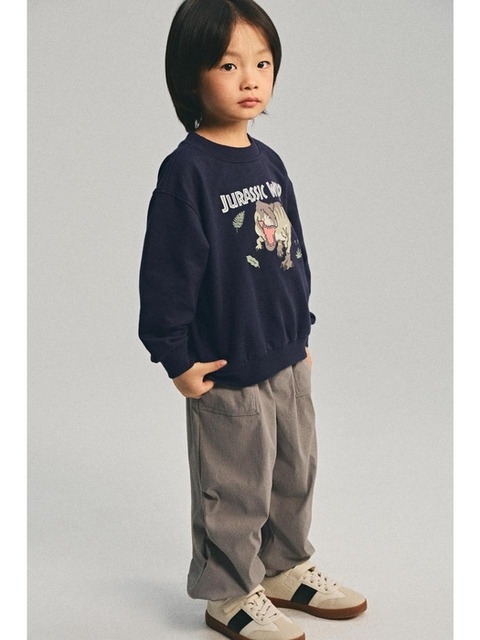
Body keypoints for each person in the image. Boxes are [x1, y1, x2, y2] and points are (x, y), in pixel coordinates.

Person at [139, 1, 367, 638]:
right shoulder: (186, 172)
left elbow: (292, 253)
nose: (250, 80)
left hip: (285, 355)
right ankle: (229, 592)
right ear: (190, 77)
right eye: (228, 65)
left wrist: (301, 331)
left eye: (262, 64)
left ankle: (285, 567)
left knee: (293, 472)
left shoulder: (268, 161)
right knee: (235, 486)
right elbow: (165, 271)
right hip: (226, 366)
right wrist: (175, 356)